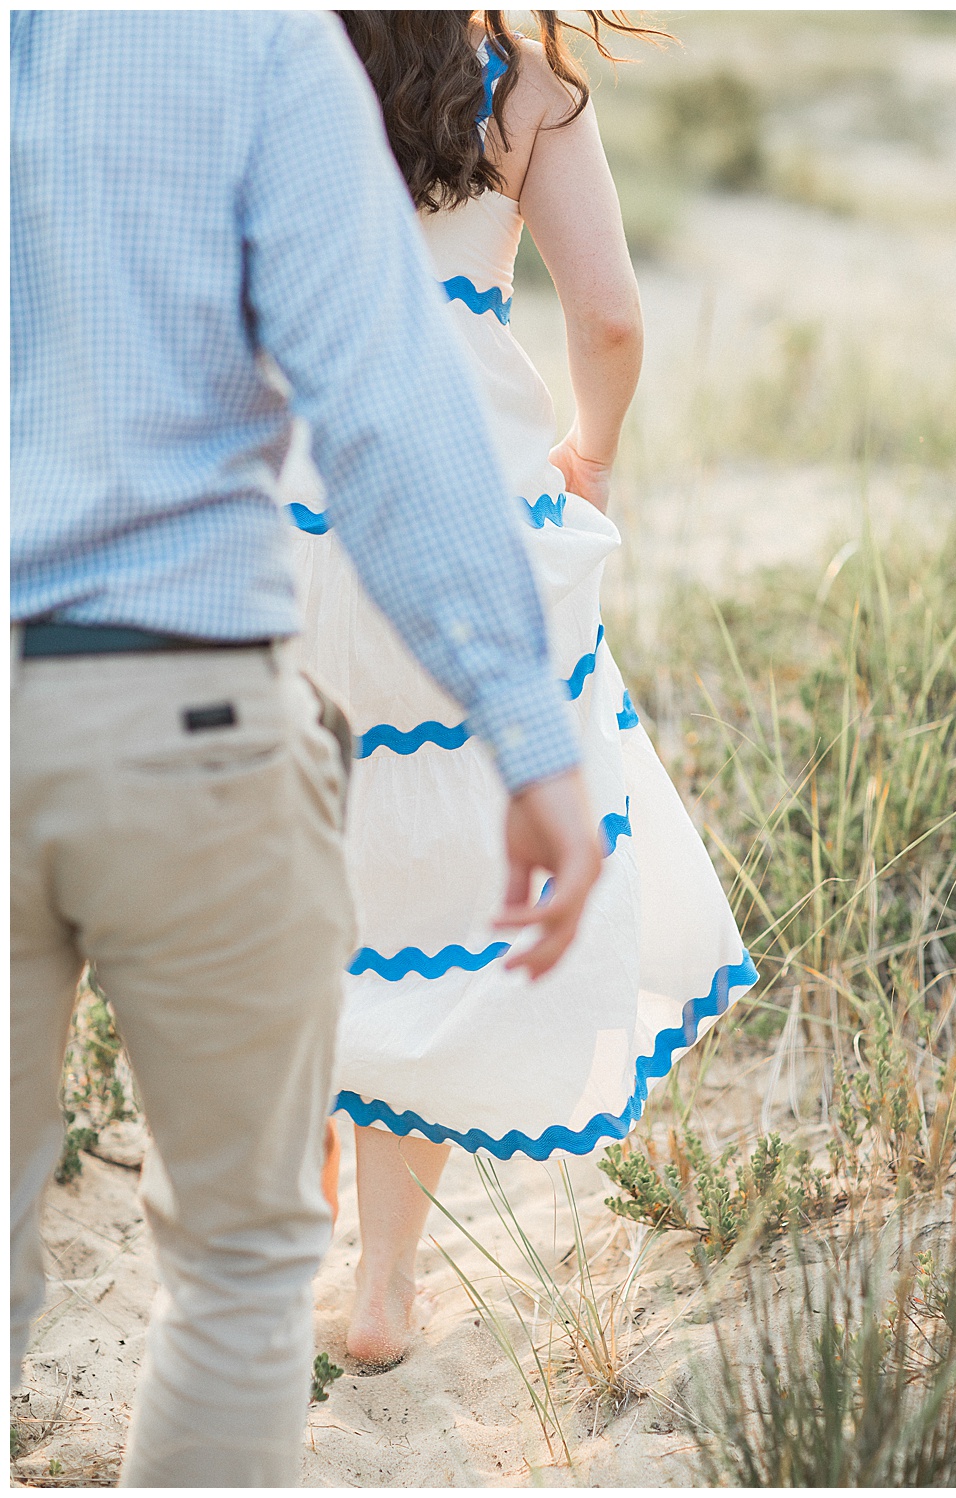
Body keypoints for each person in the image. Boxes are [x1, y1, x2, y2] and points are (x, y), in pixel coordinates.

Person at [11, 11, 601, 1486]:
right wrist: (530, 736)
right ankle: (378, 1273)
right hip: (185, 701)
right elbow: (386, 413)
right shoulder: (256, 48)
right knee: (235, 1266)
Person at [288, 12, 756, 1370]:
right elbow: (608, 319)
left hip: (295, 501)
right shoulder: (524, 88)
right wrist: (592, 457)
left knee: (306, 852)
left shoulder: (280, 53)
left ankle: (301, 1142)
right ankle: (383, 1281)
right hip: (462, 504)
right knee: (434, 887)